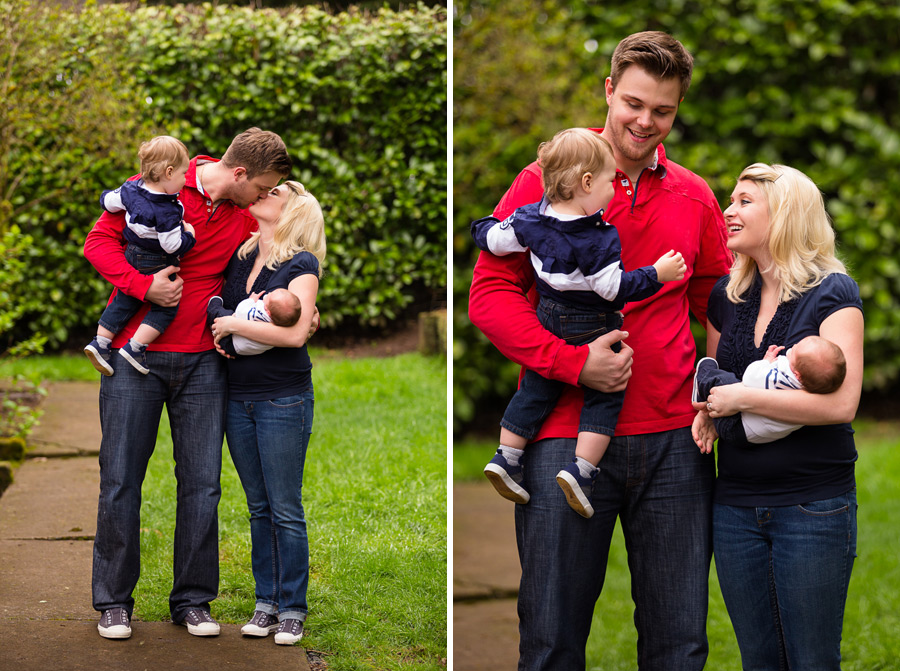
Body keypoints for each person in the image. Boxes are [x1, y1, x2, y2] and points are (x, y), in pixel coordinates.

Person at [468, 31, 732, 669]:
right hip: (562, 432)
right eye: (633, 103)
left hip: (674, 440)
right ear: (609, 91)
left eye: (662, 110)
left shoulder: (693, 195)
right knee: (552, 639)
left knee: (679, 644)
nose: (645, 121)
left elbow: (718, 305)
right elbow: (490, 294)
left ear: (676, 111)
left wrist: (716, 394)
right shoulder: (543, 180)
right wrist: (572, 362)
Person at [83, 127, 293, 640]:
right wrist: (142, 285)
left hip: (204, 363)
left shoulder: (246, 214)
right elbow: (97, 243)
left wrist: (297, 310)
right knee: (121, 479)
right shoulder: (159, 183)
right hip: (136, 356)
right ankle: (114, 602)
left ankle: (193, 601)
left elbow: (282, 254)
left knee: (201, 484)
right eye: (261, 187)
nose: (264, 197)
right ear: (239, 173)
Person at [690, 163, 863, 670]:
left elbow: (839, 404)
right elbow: (713, 382)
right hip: (737, 504)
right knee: (759, 660)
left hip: (812, 505)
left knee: (811, 660)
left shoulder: (833, 292)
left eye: (745, 201)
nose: (729, 210)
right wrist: (707, 412)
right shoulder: (726, 296)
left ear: (784, 213)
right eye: (731, 200)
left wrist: (741, 399)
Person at [472, 128, 686, 518]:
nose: (615, 189)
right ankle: (582, 471)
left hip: (549, 318)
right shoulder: (599, 238)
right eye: (610, 181)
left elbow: (495, 240)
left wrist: (482, 227)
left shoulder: (530, 218)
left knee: (536, 386)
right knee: (606, 395)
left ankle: (506, 456)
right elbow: (613, 290)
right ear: (587, 183)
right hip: (592, 324)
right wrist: (657, 272)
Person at [209, 180, 325, 645]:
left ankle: (292, 608)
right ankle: (265, 603)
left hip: (283, 397)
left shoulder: (302, 265)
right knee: (258, 508)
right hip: (237, 396)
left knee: (285, 507)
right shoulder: (241, 257)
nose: (261, 193)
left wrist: (234, 323)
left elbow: (296, 335)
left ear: (293, 210)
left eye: (274, 191)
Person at [84, 136, 196, 376]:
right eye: (183, 174)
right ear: (168, 172)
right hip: (156, 260)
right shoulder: (167, 210)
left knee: (125, 299)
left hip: (132, 254)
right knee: (167, 306)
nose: (186, 180)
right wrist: (189, 236)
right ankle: (136, 347)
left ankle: (100, 342)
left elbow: (109, 202)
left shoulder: (131, 189)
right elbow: (171, 246)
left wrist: (107, 198)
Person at [692, 335, 846, 445]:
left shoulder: (784, 377)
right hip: (752, 435)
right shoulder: (812, 387)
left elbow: (750, 378)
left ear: (797, 375)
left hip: (736, 426)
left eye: (795, 351)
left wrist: (765, 362)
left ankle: (702, 385)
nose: (792, 347)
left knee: (724, 381)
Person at [206, 288, 302, 356]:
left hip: (231, 342)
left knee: (222, 314)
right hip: (240, 350)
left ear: (267, 312)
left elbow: (241, 311)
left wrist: (251, 300)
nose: (269, 293)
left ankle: (214, 305)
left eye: (270, 296)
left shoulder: (260, 315)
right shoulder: (279, 321)